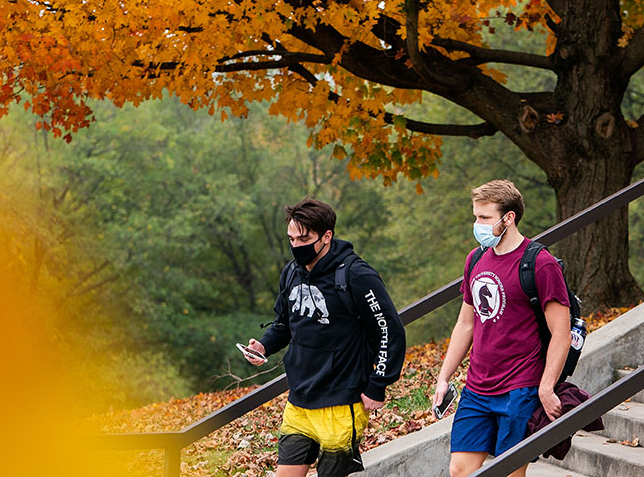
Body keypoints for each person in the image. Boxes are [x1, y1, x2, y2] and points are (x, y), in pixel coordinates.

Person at [244, 198, 406, 477]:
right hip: (300, 401)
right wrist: (264, 345)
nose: (296, 246)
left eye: (304, 239)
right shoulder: (291, 273)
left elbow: (388, 330)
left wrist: (378, 383)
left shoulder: (356, 274)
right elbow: (284, 323)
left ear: (326, 236)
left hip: (341, 402)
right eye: (291, 239)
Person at [433, 180, 571, 477]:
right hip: (477, 387)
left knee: (509, 473)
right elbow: (465, 323)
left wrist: (546, 387)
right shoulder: (476, 259)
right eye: (475, 217)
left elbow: (562, 333)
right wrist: (444, 377)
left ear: (508, 218)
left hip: (520, 387)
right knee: (460, 470)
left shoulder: (540, 263)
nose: (477, 224)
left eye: (484, 218)